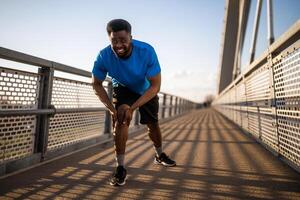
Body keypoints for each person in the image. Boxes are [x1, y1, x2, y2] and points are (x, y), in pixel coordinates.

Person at [92, 19, 176, 186]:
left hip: (146, 90)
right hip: (123, 88)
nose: (119, 45)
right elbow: (96, 83)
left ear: (131, 37)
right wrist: (111, 109)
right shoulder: (103, 55)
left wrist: (134, 107)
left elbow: (155, 85)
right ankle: (120, 167)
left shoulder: (146, 51)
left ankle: (159, 154)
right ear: (109, 39)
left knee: (152, 125)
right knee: (121, 119)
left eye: (123, 40)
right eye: (114, 41)